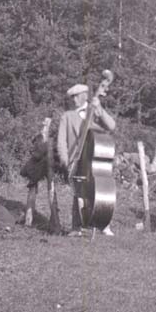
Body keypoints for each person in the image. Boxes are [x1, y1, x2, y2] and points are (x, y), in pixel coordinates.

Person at [57, 83, 116, 237]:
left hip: (96, 158)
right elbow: (61, 142)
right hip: (76, 160)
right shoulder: (67, 116)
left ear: (84, 96)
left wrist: (99, 109)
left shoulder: (94, 111)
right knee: (78, 193)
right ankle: (76, 227)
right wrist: (65, 161)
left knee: (101, 189)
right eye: (72, 97)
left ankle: (103, 223)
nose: (73, 100)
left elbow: (111, 126)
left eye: (76, 96)